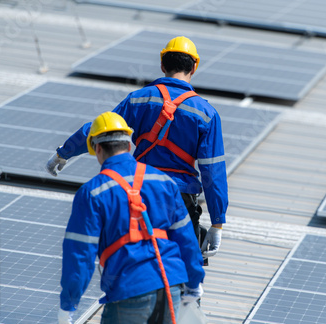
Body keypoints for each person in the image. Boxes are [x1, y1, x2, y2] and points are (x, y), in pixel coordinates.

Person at [47, 36, 228, 262]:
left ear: (163, 65)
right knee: (182, 269)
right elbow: (213, 172)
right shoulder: (206, 114)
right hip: (179, 199)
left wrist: (64, 153)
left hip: (138, 191)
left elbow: (100, 130)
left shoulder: (138, 99)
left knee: (135, 262)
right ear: (194, 67)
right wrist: (217, 223)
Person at [58, 112, 205, 324]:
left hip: (128, 290)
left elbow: (80, 253)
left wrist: (67, 306)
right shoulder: (163, 181)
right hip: (171, 286)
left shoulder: (92, 192)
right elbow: (186, 238)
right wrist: (194, 282)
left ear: (97, 149)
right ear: (129, 146)